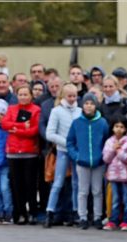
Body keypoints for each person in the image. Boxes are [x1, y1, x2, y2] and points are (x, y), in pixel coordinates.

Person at [67, 93, 109, 230]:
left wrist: (103, 156)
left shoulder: (102, 122)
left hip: (98, 162)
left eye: (91, 103)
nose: (89, 106)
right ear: (82, 105)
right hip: (82, 162)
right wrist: (76, 156)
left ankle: (97, 216)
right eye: (86, 103)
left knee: (97, 191)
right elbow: (70, 142)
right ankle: (83, 217)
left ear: (96, 105)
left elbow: (106, 141)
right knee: (83, 191)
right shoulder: (77, 123)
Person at [43, 83, 82, 227]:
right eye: (69, 96)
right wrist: (67, 143)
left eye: (74, 96)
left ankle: (76, 212)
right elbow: (50, 133)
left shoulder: (79, 111)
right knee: (58, 182)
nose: (72, 99)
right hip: (63, 150)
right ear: (63, 96)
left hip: (76, 151)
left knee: (76, 183)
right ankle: (50, 211)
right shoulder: (57, 111)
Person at [2, 85, 41, 225]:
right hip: (13, 152)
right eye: (21, 94)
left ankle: (33, 213)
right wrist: (22, 126)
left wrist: (16, 130)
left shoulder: (36, 110)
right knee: (16, 185)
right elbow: (5, 124)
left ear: (31, 96)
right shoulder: (11, 109)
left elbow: (34, 130)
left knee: (30, 185)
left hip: (29, 152)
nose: (23, 97)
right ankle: (20, 213)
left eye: (26, 94)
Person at [102, 117, 127, 230]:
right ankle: (113, 220)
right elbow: (106, 159)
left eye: (121, 127)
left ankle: (126, 221)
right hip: (113, 175)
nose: (119, 129)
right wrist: (113, 149)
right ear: (112, 128)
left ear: (125, 128)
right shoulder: (109, 141)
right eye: (116, 126)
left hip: (126, 175)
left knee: (126, 199)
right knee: (115, 199)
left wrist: (119, 152)